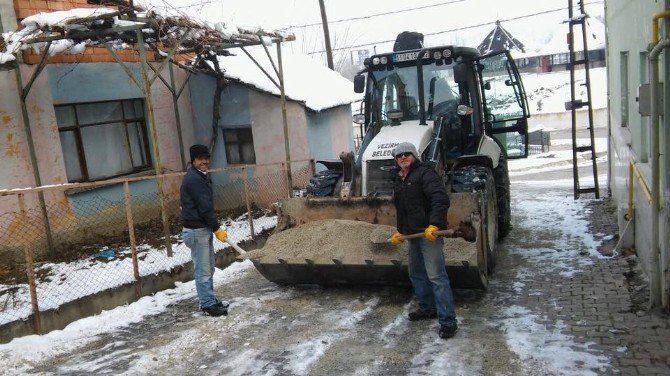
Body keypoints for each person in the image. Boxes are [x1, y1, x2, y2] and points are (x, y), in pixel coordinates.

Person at [390, 142, 458, 339]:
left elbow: (440, 198)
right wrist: (400, 232)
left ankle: (448, 321)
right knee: (417, 274)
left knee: (436, 276)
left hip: (429, 234)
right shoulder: (399, 179)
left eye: (406, 153)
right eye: (399, 155)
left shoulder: (425, 174)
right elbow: (403, 209)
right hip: (412, 235)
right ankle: (428, 308)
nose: (403, 157)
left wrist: (435, 224)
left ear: (414, 155)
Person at [180, 144, 229, 317]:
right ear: (193, 160)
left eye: (206, 158)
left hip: (202, 228)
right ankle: (207, 305)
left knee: (209, 268)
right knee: (203, 270)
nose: (204, 162)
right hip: (196, 231)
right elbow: (204, 207)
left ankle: (209, 299)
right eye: (200, 159)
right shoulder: (194, 179)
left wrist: (213, 227)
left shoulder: (201, 176)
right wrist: (217, 228)